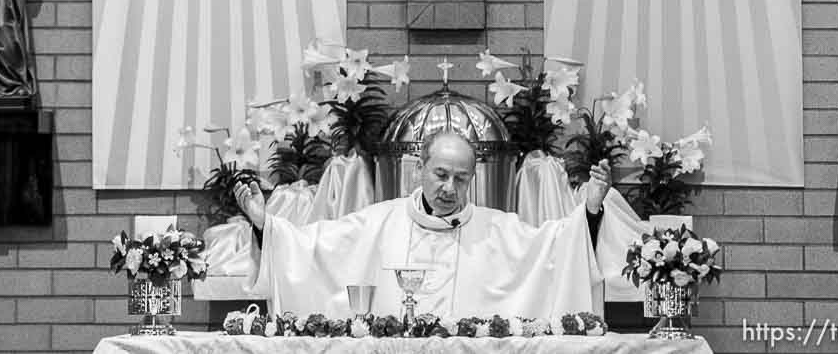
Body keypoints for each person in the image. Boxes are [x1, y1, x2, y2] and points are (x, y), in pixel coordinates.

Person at [233, 129, 642, 322]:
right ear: (420, 171)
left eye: (461, 178)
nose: (449, 187)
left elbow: (554, 249)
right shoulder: (379, 221)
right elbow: (313, 248)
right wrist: (263, 223)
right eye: (441, 174)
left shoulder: (496, 229)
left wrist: (589, 208)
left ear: (472, 179)